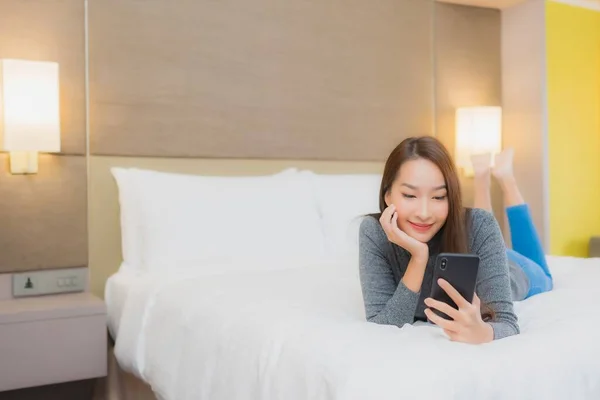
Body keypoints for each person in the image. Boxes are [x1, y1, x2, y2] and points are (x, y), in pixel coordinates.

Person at [358, 136, 520, 344]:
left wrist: (484, 333)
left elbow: (507, 323)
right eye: (409, 195)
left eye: (438, 197)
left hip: (518, 273)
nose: (424, 213)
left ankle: (505, 181)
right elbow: (383, 327)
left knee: (537, 267)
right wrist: (418, 257)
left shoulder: (481, 225)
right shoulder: (374, 232)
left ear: (451, 197)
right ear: (388, 195)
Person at [470, 148, 553, 300]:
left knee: (543, 277)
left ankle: (493, 178)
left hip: (503, 268)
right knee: (545, 277)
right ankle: (494, 178)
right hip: (508, 269)